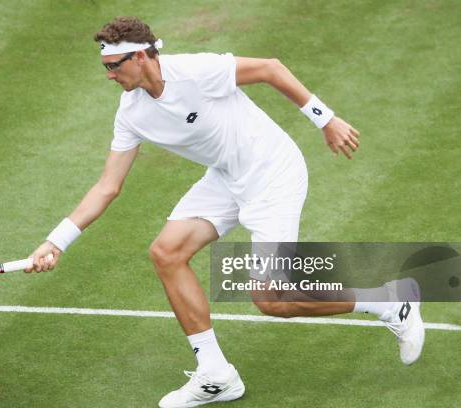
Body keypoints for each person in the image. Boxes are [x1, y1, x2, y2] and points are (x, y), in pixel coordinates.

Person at [26, 17, 424, 408]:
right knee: (167, 253)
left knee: (272, 299)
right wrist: (56, 242)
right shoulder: (131, 113)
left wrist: (326, 120)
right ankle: (216, 375)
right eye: (106, 68)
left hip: (272, 173)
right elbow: (107, 186)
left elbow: (271, 68)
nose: (109, 76)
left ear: (142, 57)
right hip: (226, 179)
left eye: (114, 66)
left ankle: (389, 302)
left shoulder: (195, 71)